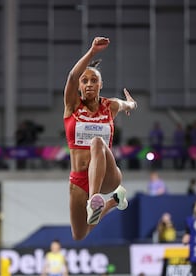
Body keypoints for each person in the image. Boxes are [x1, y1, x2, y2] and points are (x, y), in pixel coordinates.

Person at [63, 36, 137, 240]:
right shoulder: (72, 106)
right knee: (79, 235)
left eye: (93, 80)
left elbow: (127, 104)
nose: (88, 84)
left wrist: (131, 104)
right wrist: (92, 52)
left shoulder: (110, 106)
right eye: (84, 81)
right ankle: (113, 201)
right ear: (78, 86)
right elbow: (71, 76)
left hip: (107, 177)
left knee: (96, 141)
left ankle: (94, 199)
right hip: (79, 180)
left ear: (101, 85)